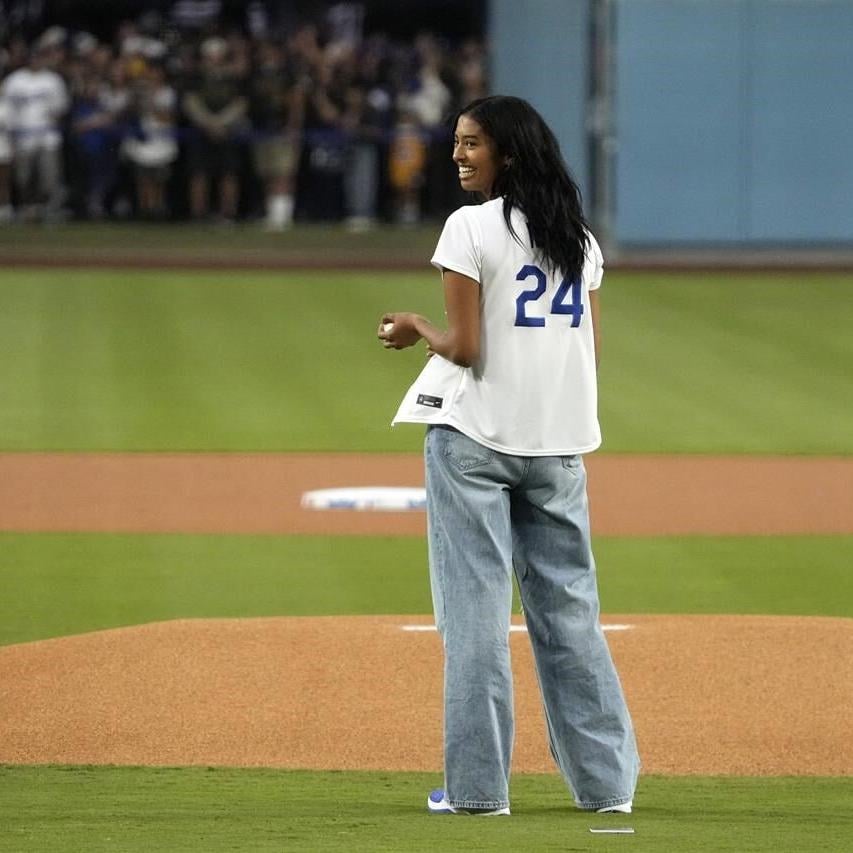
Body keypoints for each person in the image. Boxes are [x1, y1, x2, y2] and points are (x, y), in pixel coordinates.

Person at [378, 95, 639, 816]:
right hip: (557, 447)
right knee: (570, 616)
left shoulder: (469, 227)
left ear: (508, 153)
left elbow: (463, 348)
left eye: (471, 144)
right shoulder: (577, 240)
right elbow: (584, 355)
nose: (457, 154)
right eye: (456, 143)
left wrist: (413, 326)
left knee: (474, 618)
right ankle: (607, 787)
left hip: (474, 442)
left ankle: (477, 792)